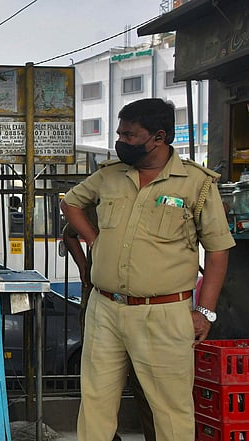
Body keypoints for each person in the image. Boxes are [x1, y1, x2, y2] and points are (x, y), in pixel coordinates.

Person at [60, 98, 234, 441]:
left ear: (158, 137)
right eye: (119, 133)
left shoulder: (195, 183)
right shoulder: (109, 175)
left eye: (130, 134)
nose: (121, 140)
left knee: (170, 411)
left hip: (164, 313)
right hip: (105, 308)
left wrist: (205, 312)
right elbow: (71, 203)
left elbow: (217, 251)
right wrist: (95, 240)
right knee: (94, 404)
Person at [61, 214, 155, 441]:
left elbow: (69, 233)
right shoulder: (102, 202)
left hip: (134, 303)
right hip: (104, 300)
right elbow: (69, 232)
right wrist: (86, 269)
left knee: (138, 385)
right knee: (102, 386)